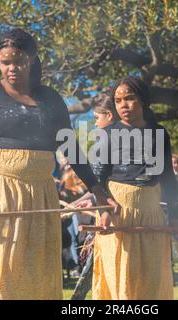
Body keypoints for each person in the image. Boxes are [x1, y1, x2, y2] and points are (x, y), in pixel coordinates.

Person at [0, 28, 116, 300]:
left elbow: (71, 148)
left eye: (18, 61)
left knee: (40, 263)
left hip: (41, 192)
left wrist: (98, 189)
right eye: (5, 62)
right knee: (8, 263)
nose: (12, 68)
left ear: (31, 59)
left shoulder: (51, 99)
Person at [90, 76, 178, 300]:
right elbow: (97, 179)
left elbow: (168, 177)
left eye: (129, 98)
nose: (123, 105)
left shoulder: (159, 134)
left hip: (151, 211)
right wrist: (103, 211)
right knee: (122, 278)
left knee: (151, 279)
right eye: (118, 100)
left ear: (142, 100)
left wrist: (175, 215)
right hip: (118, 212)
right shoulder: (108, 134)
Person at [71, 96, 117, 300]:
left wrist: (90, 199)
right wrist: (85, 201)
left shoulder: (106, 140)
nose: (95, 123)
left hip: (111, 212)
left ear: (109, 116)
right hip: (108, 206)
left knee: (97, 264)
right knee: (95, 264)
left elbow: (99, 183)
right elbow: (101, 185)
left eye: (97, 117)